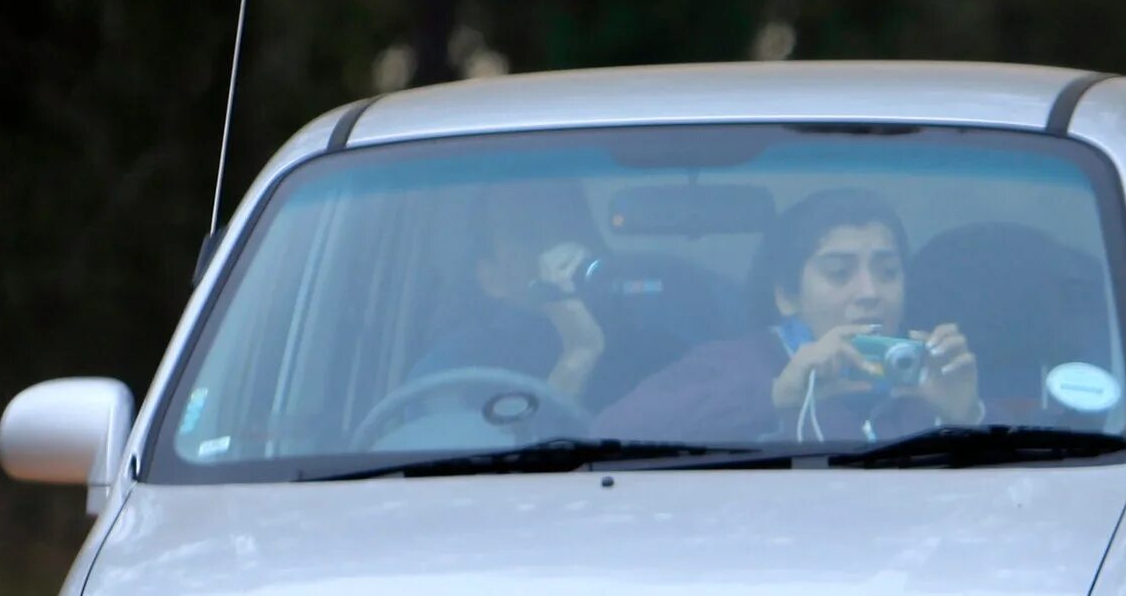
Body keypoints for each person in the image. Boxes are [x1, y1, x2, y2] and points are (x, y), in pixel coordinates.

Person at [592, 188, 981, 442]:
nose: (870, 292)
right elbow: (610, 437)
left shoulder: (933, 374)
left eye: (888, 272)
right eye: (839, 273)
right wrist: (774, 397)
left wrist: (965, 417)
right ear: (786, 295)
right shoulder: (728, 367)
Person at [406, 181, 611, 412]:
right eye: (529, 234)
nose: (557, 245)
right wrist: (578, 355)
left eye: (566, 225)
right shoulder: (457, 370)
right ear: (491, 278)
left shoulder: (646, 345)